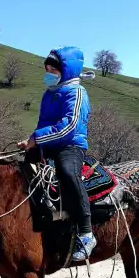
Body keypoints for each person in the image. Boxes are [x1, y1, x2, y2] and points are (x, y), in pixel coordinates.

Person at [17, 46, 95, 262]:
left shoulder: (77, 93)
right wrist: (31, 142)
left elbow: (69, 126)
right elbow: (45, 124)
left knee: (67, 172)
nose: (48, 74)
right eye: (47, 69)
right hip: (48, 144)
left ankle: (86, 233)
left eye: (53, 70)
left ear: (67, 71)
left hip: (71, 145)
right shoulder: (49, 94)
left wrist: (36, 138)